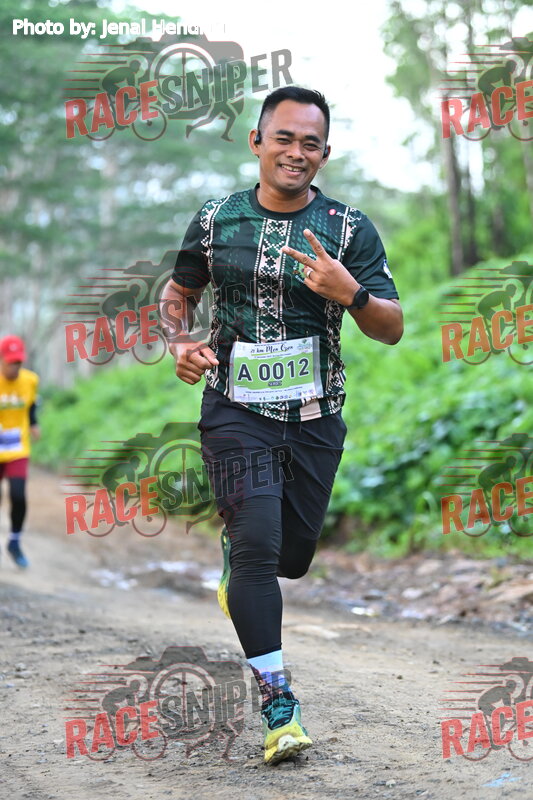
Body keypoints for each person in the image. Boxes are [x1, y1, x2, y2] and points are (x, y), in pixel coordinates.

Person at [161, 86, 403, 764]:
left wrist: (350, 293)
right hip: (235, 409)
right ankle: (278, 703)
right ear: (257, 142)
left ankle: (238, 560)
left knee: (288, 558)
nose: (296, 152)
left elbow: (390, 326)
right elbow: (179, 293)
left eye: (310, 143)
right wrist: (179, 341)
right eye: (284, 138)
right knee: (258, 547)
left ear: (324, 154)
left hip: (316, 415)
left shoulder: (348, 229)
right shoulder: (216, 220)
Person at [0, 335, 40, 568]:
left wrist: (34, 424)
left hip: (17, 447)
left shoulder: (30, 380)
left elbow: (31, 406)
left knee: (17, 495)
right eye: (10, 362)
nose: (15, 367)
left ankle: (14, 542)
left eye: (18, 362)